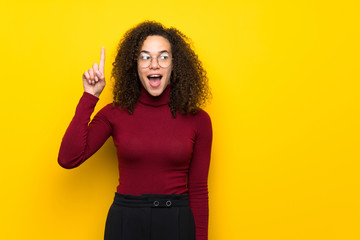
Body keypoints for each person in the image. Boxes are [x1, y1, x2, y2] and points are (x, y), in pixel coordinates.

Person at [58, 20, 213, 240]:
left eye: (163, 56)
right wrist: (90, 96)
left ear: (174, 65)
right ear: (135, 65)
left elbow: (198, 190)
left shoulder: (199, 120)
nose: (154, 64)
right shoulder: (114, 114)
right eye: (145, 57)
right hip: (126, 221)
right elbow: (68, 158)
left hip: (176, 222)